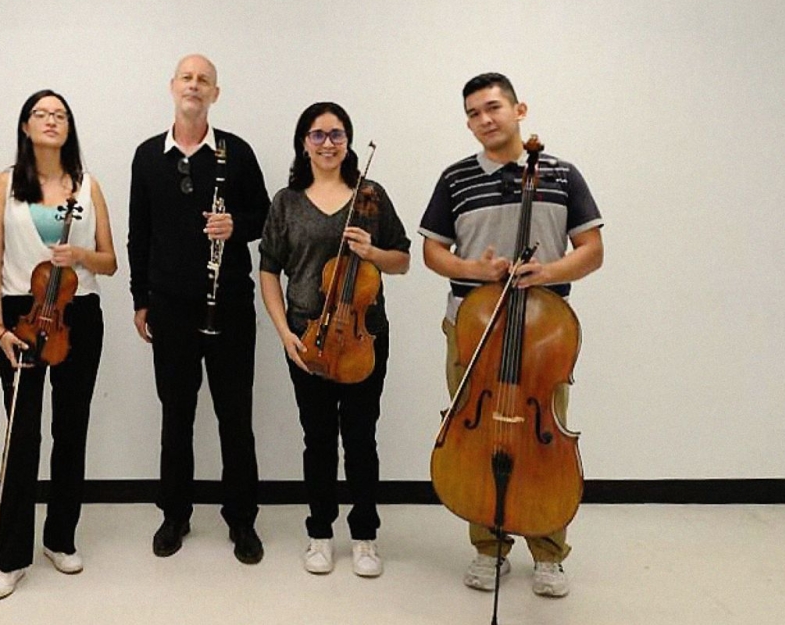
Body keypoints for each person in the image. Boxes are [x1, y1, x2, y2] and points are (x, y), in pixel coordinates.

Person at [420, 72, 604, 598]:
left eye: (493, 107)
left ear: (519, 110)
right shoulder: (456, 178)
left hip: (545, 336)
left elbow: (591, 250)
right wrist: (476, 270)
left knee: (544, 438)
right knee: (476, 436)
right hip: (471, 326)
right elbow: (434, 253)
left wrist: (546, 272)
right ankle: (488, 546)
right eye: (474, 113)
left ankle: (549, 552)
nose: (485, 120)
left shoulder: (563, 174)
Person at [127, 54, 270, 564]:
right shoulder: (147, 156)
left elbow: (265, 217)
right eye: (186, 78)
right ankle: (175, 514)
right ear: (172, 87)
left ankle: (242, 520)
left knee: (236, 416)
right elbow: (137, 233)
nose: (194, 85)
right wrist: (140, 299)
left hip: (228, 305)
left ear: (215, 93)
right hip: (169, 307)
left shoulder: (237, 152)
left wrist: (236, 225)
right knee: (177, 415)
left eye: (203, 80)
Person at [258, 102, 410, 578]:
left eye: (337, 134)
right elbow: (268, 271)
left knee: (362, 438)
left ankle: (365, 535)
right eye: (318, 135)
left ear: (348, 141)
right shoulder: (286, 201)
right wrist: (285, 334)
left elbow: (402, 260)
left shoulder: (371, 195)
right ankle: (320, 533)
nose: (328, 143)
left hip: (365, 336)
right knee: (318, 439)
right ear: (304, 142)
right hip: (308, 338)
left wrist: (373, 252)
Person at [0, 89, 117, 600]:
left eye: (60, 115)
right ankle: (10, 557)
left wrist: (79, 252)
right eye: (41, 114)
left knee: (71, 429)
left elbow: (109, 261)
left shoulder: (88, 184)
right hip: (21, 313)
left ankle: (60, 538)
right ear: (25, 126)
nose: (51, 121)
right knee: (22, 437)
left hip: (79, 312)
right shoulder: (3, 184)